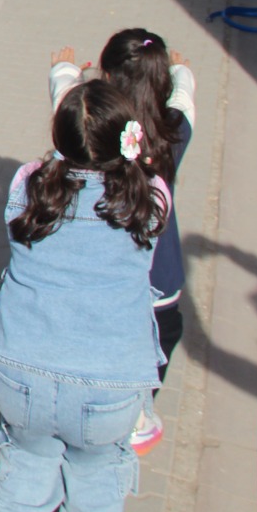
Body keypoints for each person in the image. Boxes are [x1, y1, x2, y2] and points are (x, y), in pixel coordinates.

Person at [0, 80, 169, 512]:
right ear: (131, 138)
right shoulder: (150, 197)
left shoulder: (29, 185)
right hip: (109, 383)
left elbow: (54, 161)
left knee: (26, 455)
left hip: (21, 370)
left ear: (59, 138)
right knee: (98, 472)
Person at [51, 30, 195, 457]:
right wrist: (179, 71)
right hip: (159, 284)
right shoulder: (174, 131)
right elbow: (185, 94)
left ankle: (85, 420)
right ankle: (136, 418)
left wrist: (65, 70)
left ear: (108, 77)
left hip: (103, 281)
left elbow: (64, 99)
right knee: (152, 356)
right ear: (160, 79)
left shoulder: (93, 130)